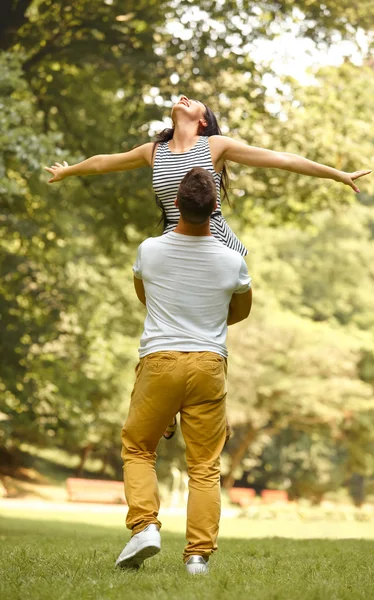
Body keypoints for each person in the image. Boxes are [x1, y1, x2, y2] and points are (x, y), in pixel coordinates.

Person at [44, 93, 371, 437]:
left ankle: (210, 398)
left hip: (212, 243)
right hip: (175, 246)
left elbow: (280, 159)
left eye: (195, 100)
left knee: (208, 325)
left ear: (203, 121)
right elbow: (103, 162)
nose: (184, 97)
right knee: (163, 321)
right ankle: (169, 402)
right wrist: (69, 171)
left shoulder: (214, 145)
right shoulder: (153, 152)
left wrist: (338, 175)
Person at [114, 166, 252, 574]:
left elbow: (145, 296)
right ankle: (197, 556)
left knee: (138, 448)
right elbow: (240, 312)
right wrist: (205, 317)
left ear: (175, 205)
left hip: (159, 361)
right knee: (204, 466)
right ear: (215, 209)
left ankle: (145, 527)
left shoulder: (149, 250)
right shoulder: (232, 261)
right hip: (209, 364)